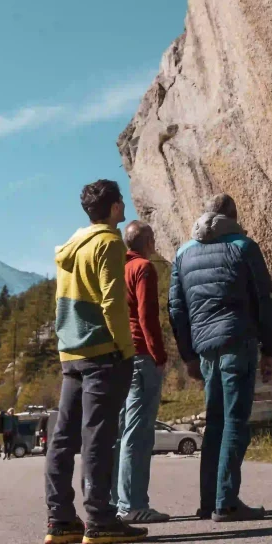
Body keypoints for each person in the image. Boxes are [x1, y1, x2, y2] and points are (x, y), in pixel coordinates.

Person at [44, 179, 146, 544]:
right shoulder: (109, 242)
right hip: (103, 352)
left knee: (63, 438)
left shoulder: (71, 246)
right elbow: (113, 303)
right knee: (99, 438)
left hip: (70, 353)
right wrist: (126, 348)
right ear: (116, 207)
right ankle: (100, 519)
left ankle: (60, 520)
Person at [169, 193, 272, 522]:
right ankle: (226, 501)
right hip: (237, 341)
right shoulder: (244, 247)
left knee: (215, 423)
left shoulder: (183, 253)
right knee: (235, 422)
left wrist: (188, 355)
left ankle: (209, 501)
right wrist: (269, 351)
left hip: (205, 349)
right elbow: (264, 299)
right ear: (232, 216)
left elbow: (176, 309)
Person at [111, 220, 171, 524]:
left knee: (122, 433)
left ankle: (116, 502)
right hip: (141, 357)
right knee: (139, 433)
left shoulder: (116, 268)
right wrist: (159, 356)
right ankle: (134, 504)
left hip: (120, 357)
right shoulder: (143, 268)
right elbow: (148, 317)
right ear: (147, 241)